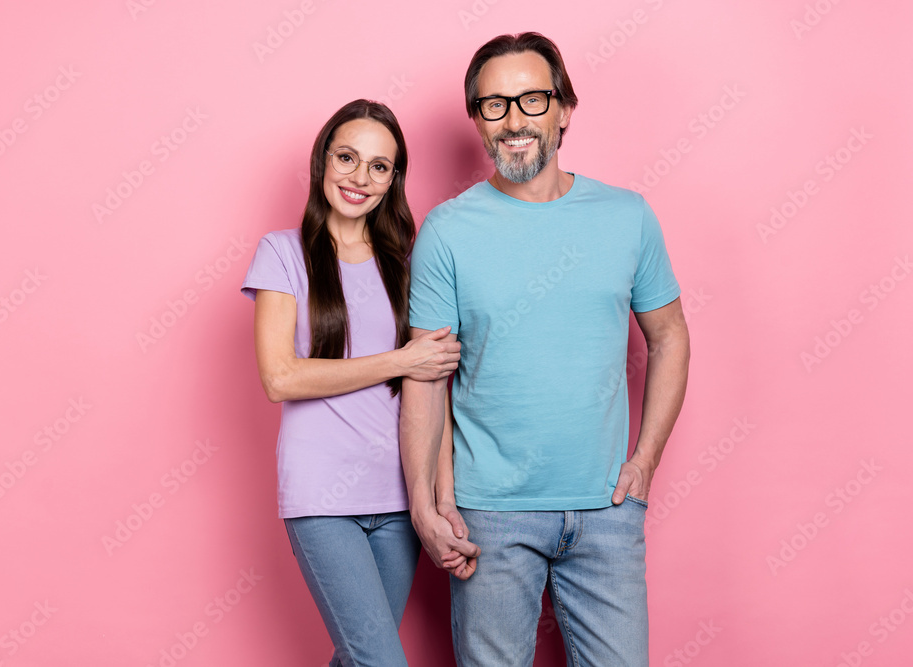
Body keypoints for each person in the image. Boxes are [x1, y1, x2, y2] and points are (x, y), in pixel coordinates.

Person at [400, 33, 691, 666]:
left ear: (563, 108)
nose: (515, 120)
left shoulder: (628, 216)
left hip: (607, 512)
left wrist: (644, 460)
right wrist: (426, 503)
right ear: (477, 120)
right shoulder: (448, 231)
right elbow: (426, 377)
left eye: (533, 99)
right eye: (494, 104)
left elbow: (669, 337)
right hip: (489, 518)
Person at [241, 99, 460, 666]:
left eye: (379, 166)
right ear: (322, 162)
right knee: (380, 660)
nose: (360, 178)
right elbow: (280, 377)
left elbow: (433, 387)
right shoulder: (282, 253)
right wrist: (401, 360)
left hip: (398, 499)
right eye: (347, 157)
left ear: (392, 180)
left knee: (358, 659)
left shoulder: (407, 265)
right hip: (322, 500)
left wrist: (438, 497)